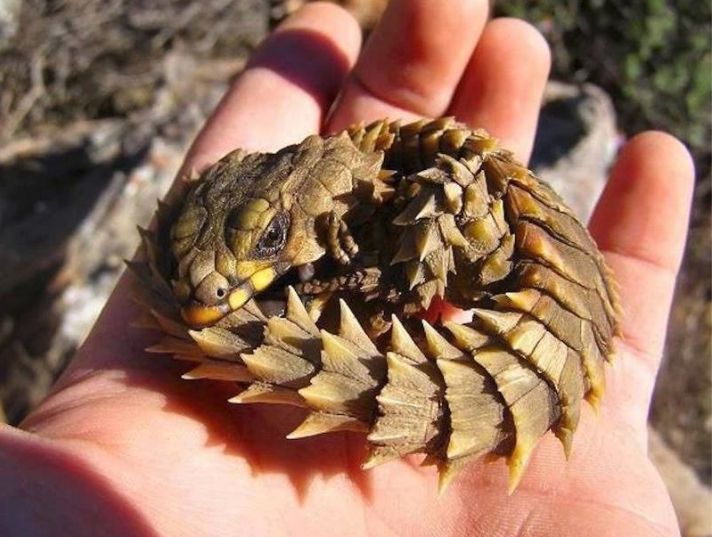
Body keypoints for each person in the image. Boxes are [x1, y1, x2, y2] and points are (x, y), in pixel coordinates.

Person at [0, 2, 694, 536]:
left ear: (305, 211)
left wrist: (373, 279)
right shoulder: (323, 197)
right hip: (542, 311)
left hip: (549, 318)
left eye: (272, 238)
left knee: (448, 195)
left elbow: (441, 227)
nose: (215, 292)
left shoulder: (386, 186)